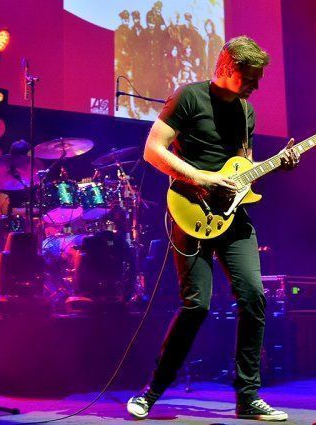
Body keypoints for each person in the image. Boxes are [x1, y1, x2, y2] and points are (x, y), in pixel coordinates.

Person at [126, 35, 299, 421]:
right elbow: (153, 150)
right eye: (249, 78)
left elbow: (242, 169)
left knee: (254, 297)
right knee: (196, 306)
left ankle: (248, 397)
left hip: (233, 216)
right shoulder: (188, 97)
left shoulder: (246, 112)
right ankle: (152, 391)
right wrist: (203, 178)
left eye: (258, 79)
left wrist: (275, 166)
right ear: (227, 68)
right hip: (190, 211)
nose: (256, 86)